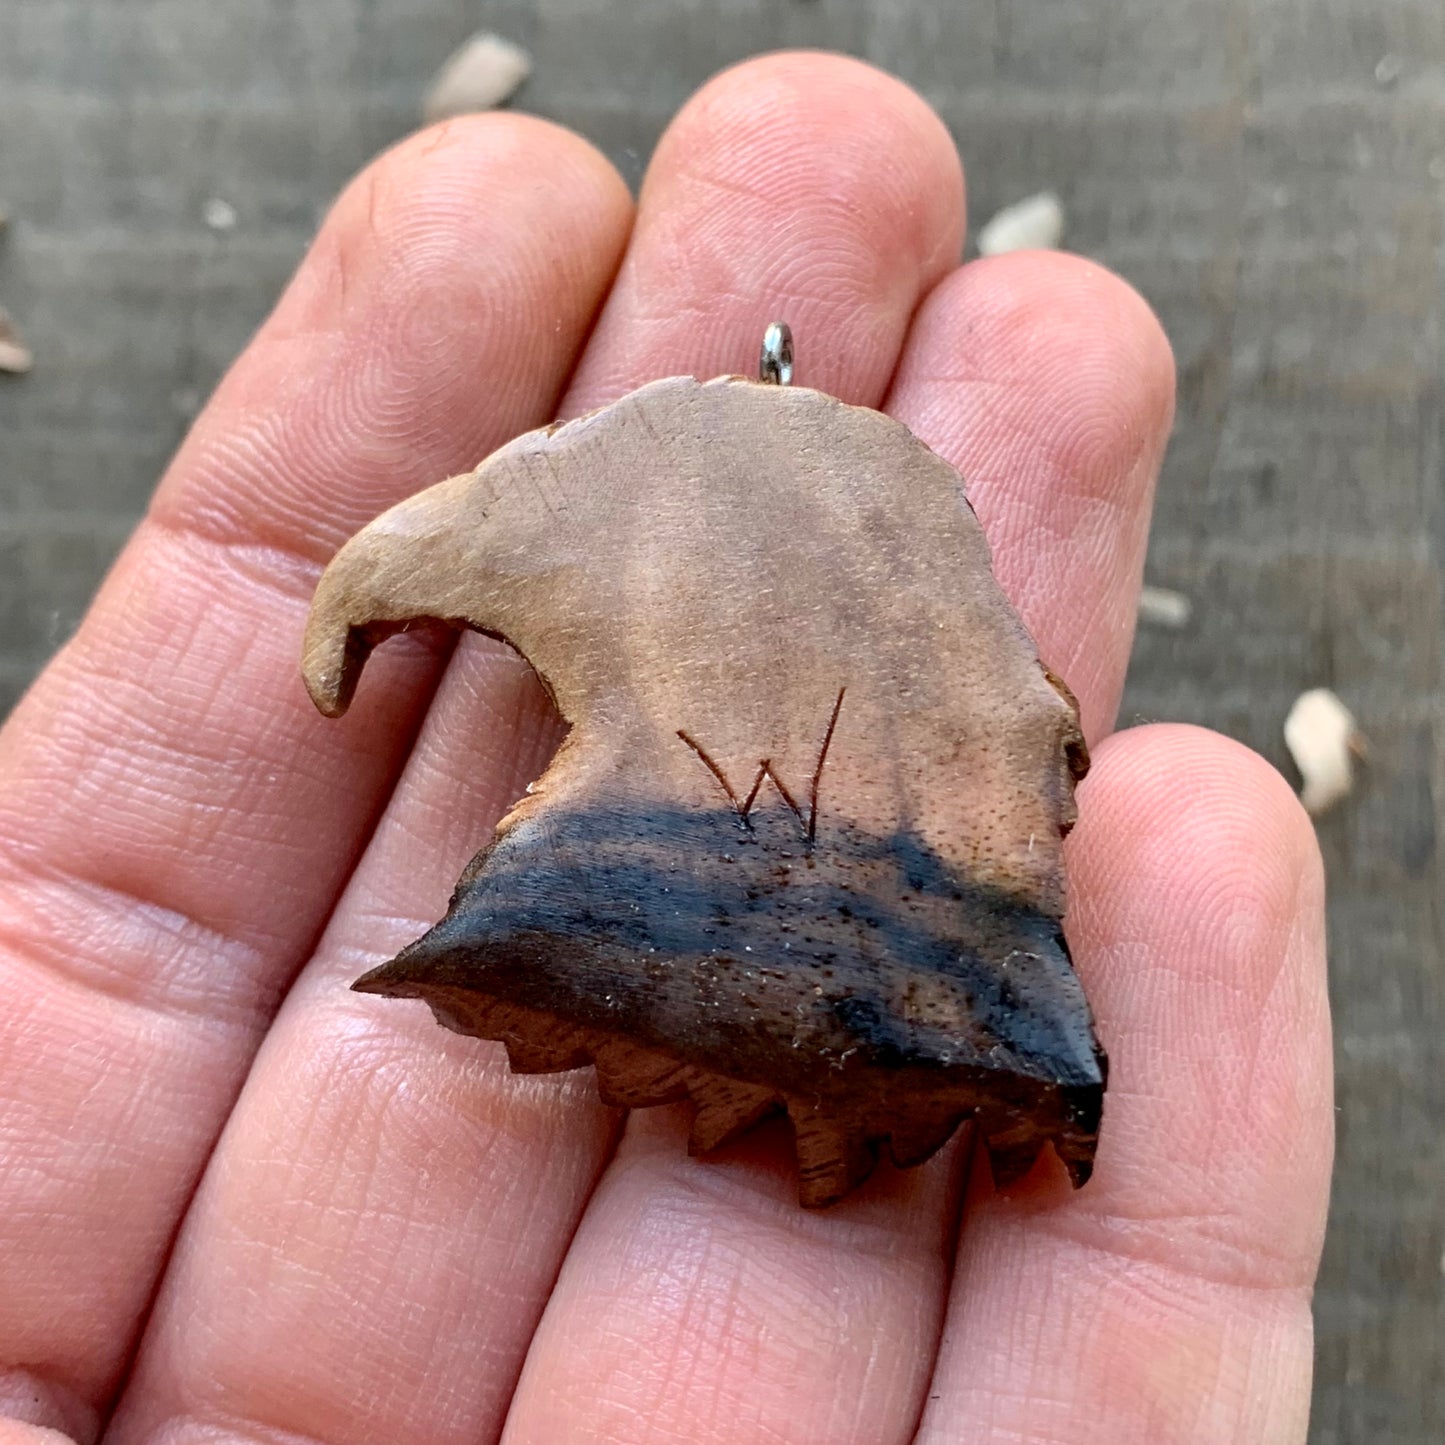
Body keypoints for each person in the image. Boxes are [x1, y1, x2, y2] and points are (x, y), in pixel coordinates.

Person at [0, 52, 1332, 1445]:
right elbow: (443, 554)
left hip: (942, 1000)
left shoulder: (835, 549)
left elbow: (454, 550)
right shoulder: (713, 506)